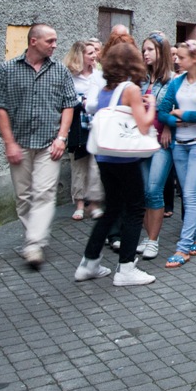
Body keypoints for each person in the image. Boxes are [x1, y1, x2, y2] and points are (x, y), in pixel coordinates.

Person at [0, 24, 77, 270]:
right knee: (23, 196)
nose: (54, 45)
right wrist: (9, 143)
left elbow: (69, 105)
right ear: (33, 41)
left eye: (55, 40)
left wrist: (62, 137)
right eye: (50, 41)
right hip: (19, 144)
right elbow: (0, 107)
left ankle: (34, 243)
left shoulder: (60, 70)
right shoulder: (7, 69)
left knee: (44, 193)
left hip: (49, 144)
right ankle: (33, 238)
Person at [74, 42, 156, 287]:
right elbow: (143, 125)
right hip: (126, 157)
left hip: (104, 156)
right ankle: (126, 268)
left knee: (111, 209)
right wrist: (150, 106)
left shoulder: (105, 89)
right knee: (135, 208)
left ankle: (88, 263)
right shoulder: (130, 88)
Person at [157, 40, 196, 269]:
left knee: (191, 194)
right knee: (186, 193)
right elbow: (162, 111)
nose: (177, 60)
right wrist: (175, 119)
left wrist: (183, 114)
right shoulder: (177, 81)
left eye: (181, 57)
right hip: (179, 144)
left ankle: (183, 247)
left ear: (194, 59)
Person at [138, 32, 175, 261]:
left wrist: (169, 127)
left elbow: (175, 107)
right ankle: (147, 235)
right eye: (144, 50)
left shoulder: (172, 80)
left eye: (150, 50)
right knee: (143, 193)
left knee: (154, 190)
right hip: (140, 142)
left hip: (161, 142)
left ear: (161, 52)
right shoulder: (141, 79)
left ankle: (153, 240)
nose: (145, 54)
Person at [61, 41, 104, 222]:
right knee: (78, 165)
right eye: (89, 53)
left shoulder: (99, 75)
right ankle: (79, 203)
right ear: (80, 56)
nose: (94, 56)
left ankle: (94, 203)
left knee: (95, 165)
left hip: (96, 126)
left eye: (95, 52)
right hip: (77, 127)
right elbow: (65, 100)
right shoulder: (70, 76)